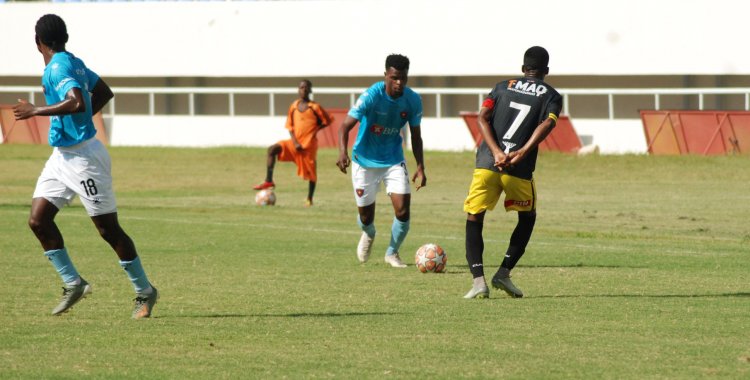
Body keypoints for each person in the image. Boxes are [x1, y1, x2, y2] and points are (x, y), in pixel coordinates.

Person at [13, 14, 158, 318]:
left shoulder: (58, 67)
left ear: (37, 41)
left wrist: (34, 110)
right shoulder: (74, 62)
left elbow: (77, 101)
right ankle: (73, 283)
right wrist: (79, 122)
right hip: (62, 156)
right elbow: (103, 92)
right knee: (38, 221)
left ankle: (144, 291)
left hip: (85, 159)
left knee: (108, 230)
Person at [462, 46, 563, 299]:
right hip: (518, 167)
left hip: (487, 163)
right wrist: (523, 151)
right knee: (527, 217)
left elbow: (482, 117)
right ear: (546, 71)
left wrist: (496, 151)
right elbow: (548, 122)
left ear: (522, 69)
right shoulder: (552, 95)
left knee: (474, 217)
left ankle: (478, 282)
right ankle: (504, 273)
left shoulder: (500, 87)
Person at [336, 54, 426, 268]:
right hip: (364, 161)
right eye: (394, 78)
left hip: (393, 159)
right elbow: (344, 126)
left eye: (403, 78)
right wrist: (342, 152)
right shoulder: (371, 96)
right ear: (385, 75)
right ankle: (368, 233)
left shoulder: (412, 100)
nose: (399, 83)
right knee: (366, 218)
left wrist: (421, 166)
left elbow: (416, 136)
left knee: (403, 210)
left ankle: (392, 253)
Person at [253, 79, 333, 206]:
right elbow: (290, 126)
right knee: (272, 149)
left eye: (306, 87)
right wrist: (295, 142)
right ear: (298, 89)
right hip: (294, 144)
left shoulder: (315, 107)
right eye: (301, 87)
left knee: (311, 174)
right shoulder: (294, 106)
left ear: (310, 90)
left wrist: (315, 130)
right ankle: (269, 180)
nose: (304, 90)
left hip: (308, 146)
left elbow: (327, 120)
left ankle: (309, 199)